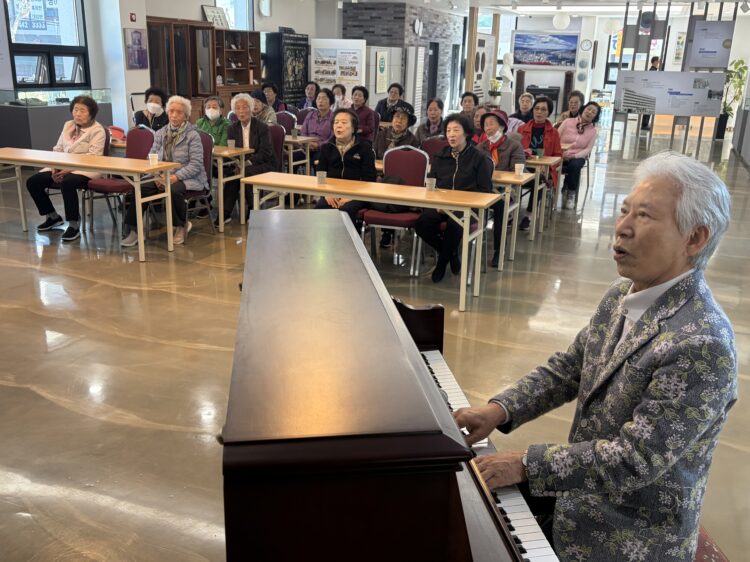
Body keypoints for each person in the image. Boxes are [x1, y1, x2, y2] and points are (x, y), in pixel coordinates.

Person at [454, 150, 736, 562]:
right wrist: (499, 409)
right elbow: (570, 368)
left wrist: (526, 464)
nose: (621, 228)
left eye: (644, 216)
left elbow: (635, 458)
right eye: (624, 211)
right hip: (578, 498)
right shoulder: (623, 293)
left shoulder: (702, 343)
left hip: (628, 533)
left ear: (695, 238)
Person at [415, 114, 493, 283]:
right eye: (448, 130)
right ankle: (451, 254)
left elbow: (485, 190)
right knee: (421, 223)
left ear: (466, 133)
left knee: (454, 224)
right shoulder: (440, 155)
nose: (451, 134)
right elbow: (432, 183)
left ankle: (441, 264)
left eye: (456, 130)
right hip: (441, 205)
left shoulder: (478, 158)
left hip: (467, 208)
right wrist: (438, 203)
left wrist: (460, 205)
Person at [121, 96, 206, 247]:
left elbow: (196, 165)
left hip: (187, 177)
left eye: (179, 112)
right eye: (171, 111)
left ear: (186, 116)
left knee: (173, 189)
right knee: (140, 187)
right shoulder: (161, 133)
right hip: (161, 175)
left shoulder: (193, 135)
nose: (174, 115)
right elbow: (151, 157)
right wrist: (157, 176)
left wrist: (176, 176)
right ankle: (135, 230)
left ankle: (181, 225)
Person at [26, 95, 106, 242]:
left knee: (67, 182)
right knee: (33, 182)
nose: (78, 114)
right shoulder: (68, 125)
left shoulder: (97, 130)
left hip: (87, 168)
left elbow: (93, 157)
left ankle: (74, 224)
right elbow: (58, 148)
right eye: (75, 110)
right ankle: (52, 217)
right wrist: (55, 168)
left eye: (82, 110)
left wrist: (67, 170)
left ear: (91, 113)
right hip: (62, 166)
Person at [216, 93, 277, 225]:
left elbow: (265, 152)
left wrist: (247, 163)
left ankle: (253, 209)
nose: (241, 111)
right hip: (240, 163)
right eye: (238, 108)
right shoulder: (232, 128)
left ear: (251, 108)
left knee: (246, 172)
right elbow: (232, 151)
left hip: (263, 163)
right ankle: (225, 213)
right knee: (232, 175)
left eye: (245, 107)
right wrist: (237, 164)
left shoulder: (262, 127)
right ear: (234, 111)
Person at [477, 110, 526, 267]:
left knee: (500, 206)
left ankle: (499, 249)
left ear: (502, 126)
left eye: (491, 123)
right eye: (485, 124)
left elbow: (517, 172)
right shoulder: (481, 147)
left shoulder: (514, 146)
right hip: (484, 189)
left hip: (505, 191)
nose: (488, 127)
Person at [314, 108, 376, 225]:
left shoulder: (364, 147)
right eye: (336, 122)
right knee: (320, 208)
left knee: (346, 211)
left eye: (344, 122)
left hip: (358, 194)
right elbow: (321, 173)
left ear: (353, 128)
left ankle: (349, 237)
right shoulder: (327, 147)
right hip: (332, 193)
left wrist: (352, 196)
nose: (339, 126)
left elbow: (370, 178)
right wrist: (326, 194)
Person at [517, 96, 562, 231]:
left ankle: (529, 214)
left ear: (548, 113)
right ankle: (510, 213)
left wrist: (548, 165)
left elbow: (558, 155)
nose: (539, 112)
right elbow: (515, 150)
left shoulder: (553, 132)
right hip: (524, 166)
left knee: (540, 180)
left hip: (544, 169)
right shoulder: (522, 129)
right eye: (537, 108)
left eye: (543, 109)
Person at [558, 101, 601, 210]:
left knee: (575, 165)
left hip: (577, 156)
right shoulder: (568, 122)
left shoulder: (593, 131)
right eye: (588, 109)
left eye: (593, 112)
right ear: (583, 109)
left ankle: (571, 193)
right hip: (560, 152)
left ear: (595, 116)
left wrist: (574, 156)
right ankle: (550, 189)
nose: (589, 112)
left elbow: (588, 149)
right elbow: (556, 137)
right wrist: (560, 152)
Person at [300, 88, 334, 161]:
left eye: (324, 98)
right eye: (318, 98)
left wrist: (318, 145)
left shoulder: (334, 118)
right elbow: (303, 132)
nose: (320, 101)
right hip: (307, 147)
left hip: (323, 149)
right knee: (293, 157)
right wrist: (306, 143)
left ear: (330, 101)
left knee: (317, 159)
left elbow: (332, 139)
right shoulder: (310, 115)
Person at [641, 57, 661, 130]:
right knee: (648, 109)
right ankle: (644, 125)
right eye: (658, 61)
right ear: (655, 61)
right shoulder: (653, 70)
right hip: (650, 93)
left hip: (650, 92)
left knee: (649, 109)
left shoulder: (653, 70)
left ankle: (645, 124)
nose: (659, 62)